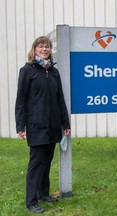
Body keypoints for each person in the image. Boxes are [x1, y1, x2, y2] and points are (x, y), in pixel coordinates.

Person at [15, 36, 71, 213]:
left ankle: (43, 193)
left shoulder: (53, 71)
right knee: (36, 162)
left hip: (53, 124)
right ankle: (31, 201)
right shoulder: (27, 70)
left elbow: (59, 98)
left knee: (47, 160)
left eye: (47, 47)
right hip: (36, 125)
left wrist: (65, 123)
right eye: (41, 46)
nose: (44, 49)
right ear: (34, 49)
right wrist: (20, 126)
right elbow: (21, 100)